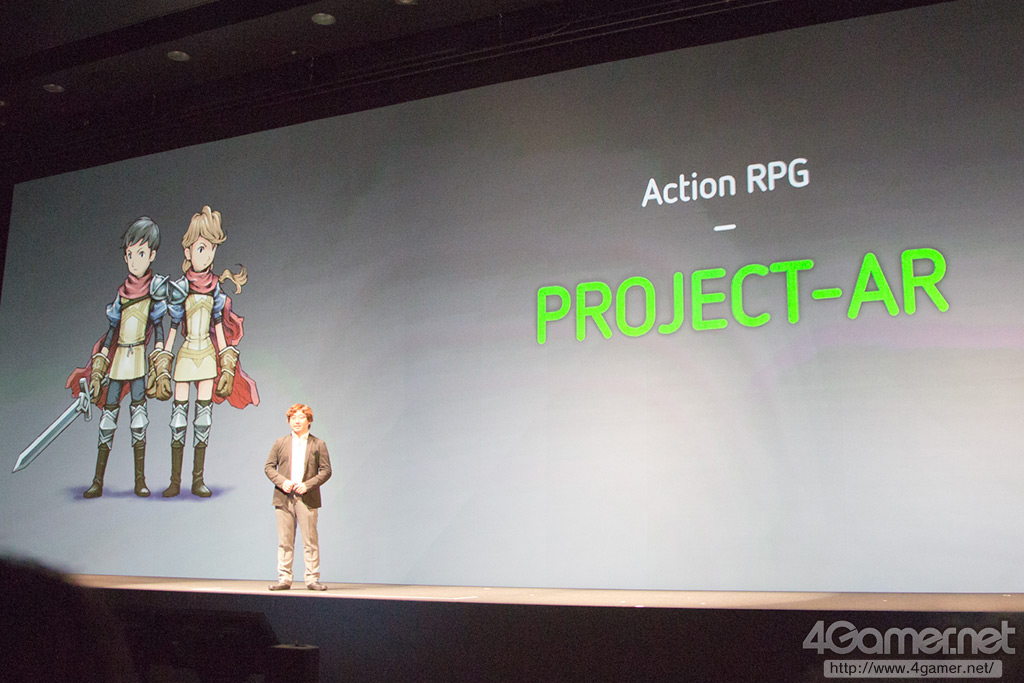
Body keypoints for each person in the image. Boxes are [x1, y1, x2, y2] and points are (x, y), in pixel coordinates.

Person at [67, 216, 171, 498]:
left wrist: (161, 362)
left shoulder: (154, 292)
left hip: (138, 361)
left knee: (139, 421)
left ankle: (140, 481)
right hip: (117, 363)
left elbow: (158, 330)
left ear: (152, 255)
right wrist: (98, 368)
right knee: (107, 420)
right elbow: (111, 333)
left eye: (141, 253)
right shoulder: (121, 295)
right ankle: (97, 482)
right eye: (130, 254)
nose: (134, 260)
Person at [162, 206, 258, 497]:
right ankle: (175, 481)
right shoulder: (180, 288)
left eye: (211, 249)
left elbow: (218, 327)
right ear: (188, 251)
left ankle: (197, 481)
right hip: (185, 354)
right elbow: (174, 326)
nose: (207, 255)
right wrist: (163, 359)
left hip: (206, 355)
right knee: (178, 419)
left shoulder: (215, 288)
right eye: (201, 248)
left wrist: (226, 360)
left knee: (202, 419)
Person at [264, 403, 332, 591]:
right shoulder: (280, 443)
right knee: (285, 541)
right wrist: (281, 481)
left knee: (310, 540)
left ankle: (312, 578)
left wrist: (307, 485)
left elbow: (326, 471)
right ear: (288, 421)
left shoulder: (318, 444)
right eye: (293, 417)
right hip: (283, 497)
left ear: (309, 421)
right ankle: (284, 578)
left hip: (307, 497)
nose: (296, 421)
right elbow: (269, 467)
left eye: (301, 417)